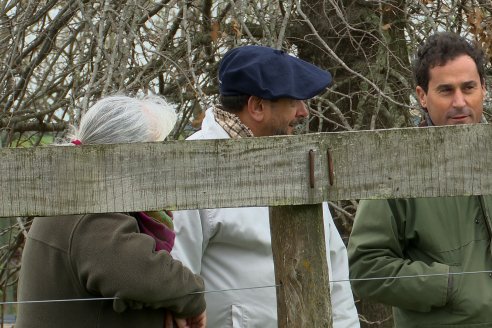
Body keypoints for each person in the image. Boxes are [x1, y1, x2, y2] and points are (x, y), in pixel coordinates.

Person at [171, 45, 360, 327]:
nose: (303, 111)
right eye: (293, 101)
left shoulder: (297, 162)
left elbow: (334, 273)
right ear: (257, 107)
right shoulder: (192, 170)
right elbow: (178, 284)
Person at [16, 95, 206, 328]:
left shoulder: (84, 192)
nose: (163, 161)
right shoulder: (88, 208)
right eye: (157, 149)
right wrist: (192, 297)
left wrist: (169, 303)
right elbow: (140, 275)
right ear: (126, 154)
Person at [347, 32, 491, 327]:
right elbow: (367, 268)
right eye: (446, 90)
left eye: (469, 87)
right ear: (422, 96)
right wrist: (448, 285)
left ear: (484, 89)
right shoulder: (397, 168)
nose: (460, 102)